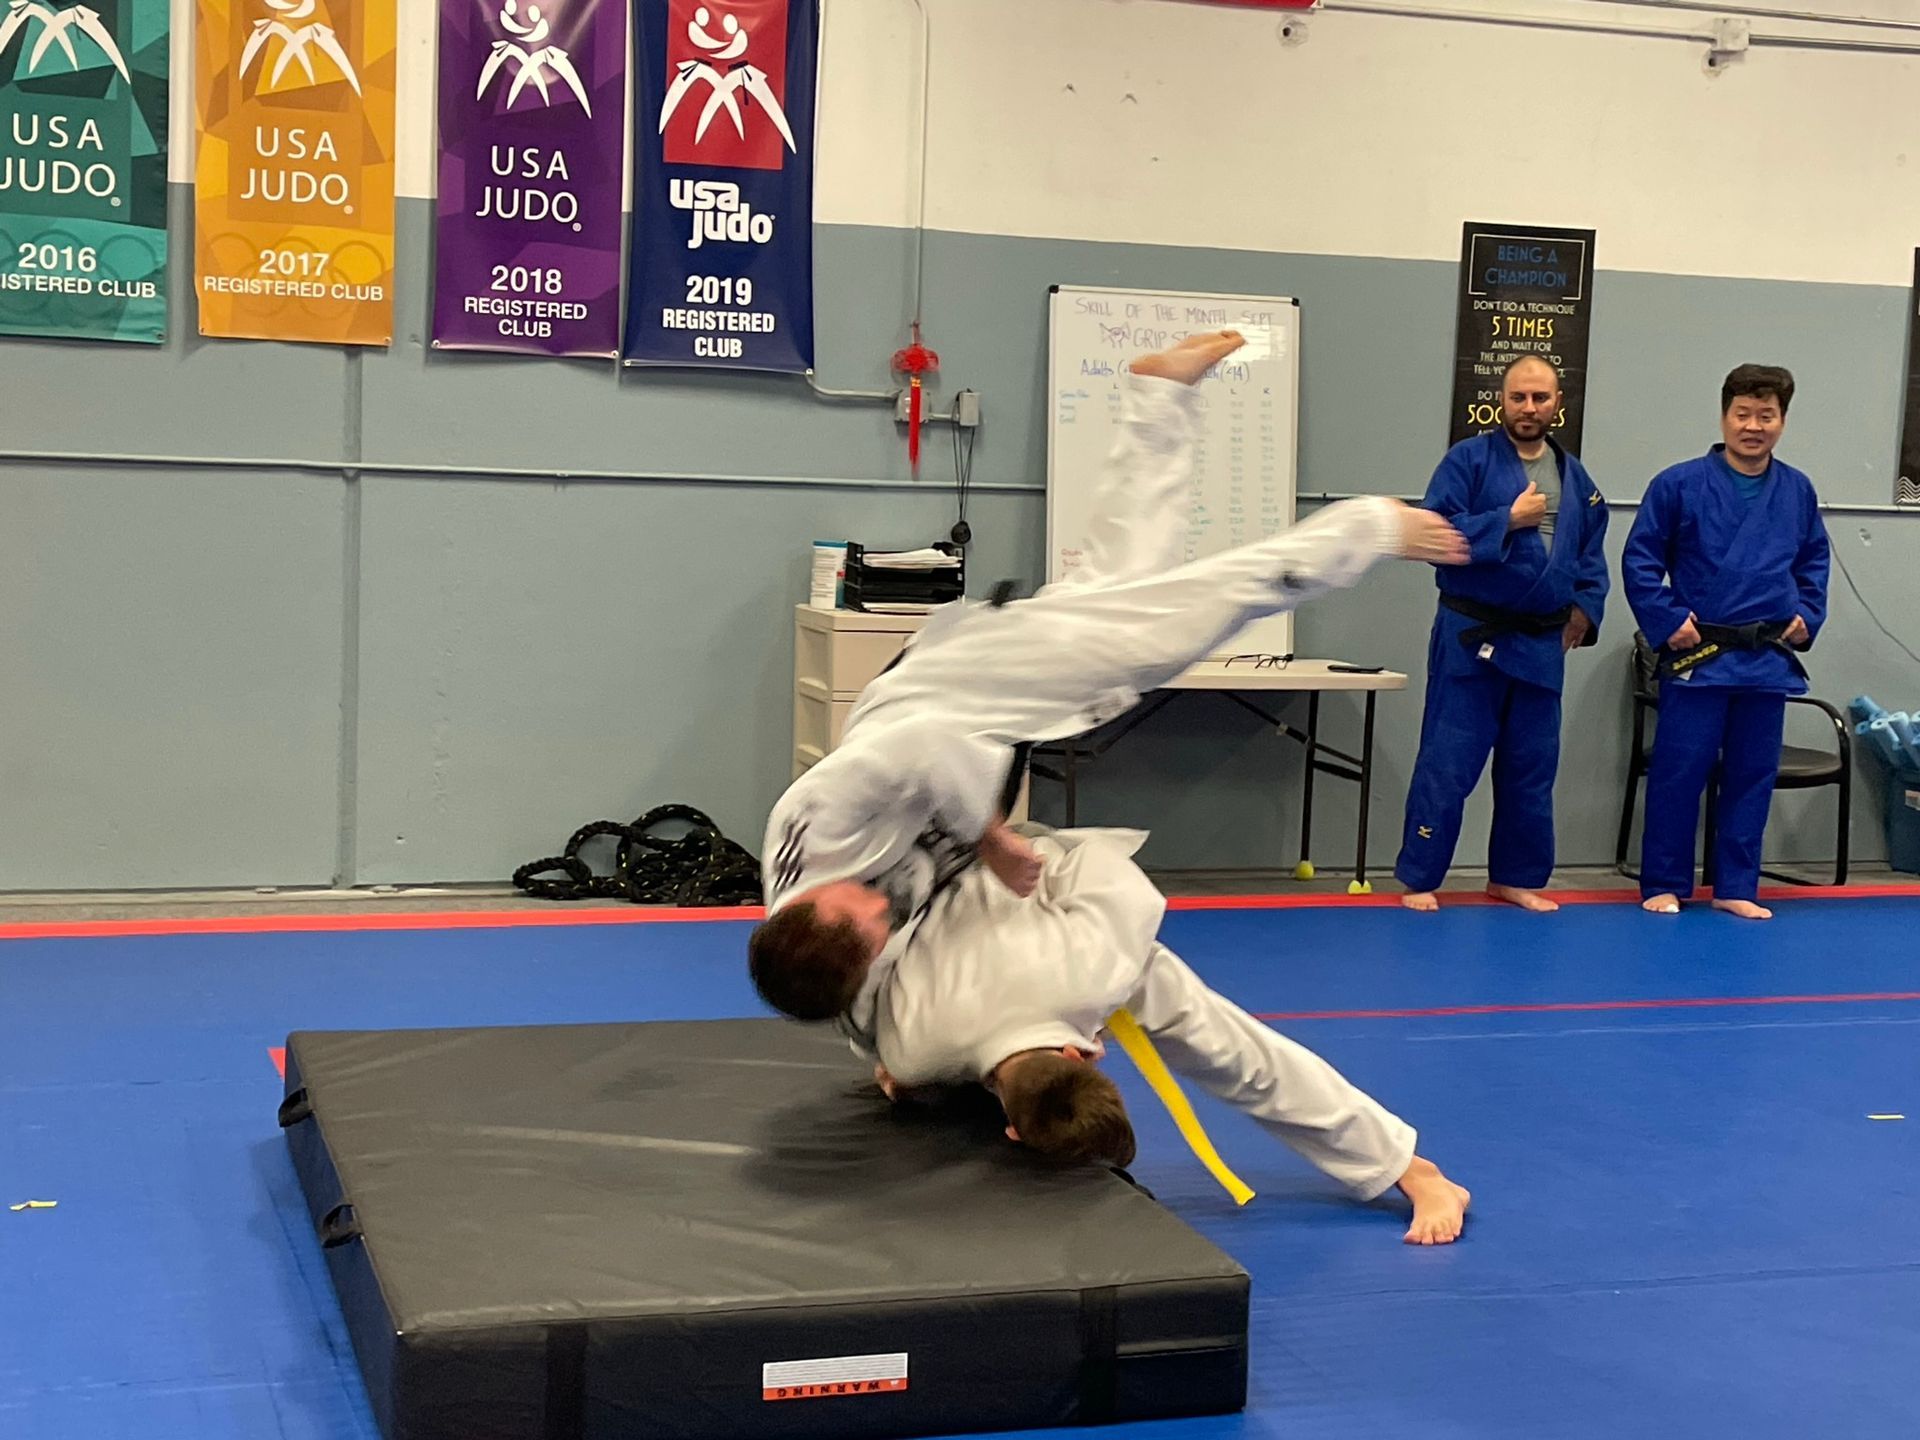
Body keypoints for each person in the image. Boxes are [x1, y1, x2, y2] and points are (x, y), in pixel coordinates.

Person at [749, 333, 1470, 1023]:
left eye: (868, 919)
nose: (883, 913)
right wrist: (889, 1060)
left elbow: (922, 746)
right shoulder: (809, 933)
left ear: (823, 907)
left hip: (973, 687)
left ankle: (1363, 529)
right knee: (1124, 571)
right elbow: (862, 988)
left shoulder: (818, 825)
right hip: (970, 683)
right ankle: (1159, 398)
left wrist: (989, 839)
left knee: (1178, 628)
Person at [865, 825, 1471, 1245]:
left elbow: (1098, 871)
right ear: (1079, 1053)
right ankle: (1408, 1169)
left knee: (1236, 1054)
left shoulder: (1100, 967)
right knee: (1246, 1062)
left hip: (1044, 889)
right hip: (943, 896)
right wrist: (904, 1069)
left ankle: (1416, 1171)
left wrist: (1021, 861)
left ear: (1013, 1130)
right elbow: (872, 980)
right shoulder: (912, 1048)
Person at [1395, 355, 1611, 913]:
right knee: (1449, 763)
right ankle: (1420, 876)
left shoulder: (1576, 478)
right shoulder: (1467, 461)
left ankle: (1515, 877)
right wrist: (1506, 520)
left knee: (1531, 770)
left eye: (1540, 398)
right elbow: (1431, 534)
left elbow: (1590, 554)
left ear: (1557, 403)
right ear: (1502, 401)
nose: (1529, 408)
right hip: (1473, 640)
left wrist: (1584, 609)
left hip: (1540, 646)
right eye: (1519, 397)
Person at [1622, 364, 1830, 920]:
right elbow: (1641, 559)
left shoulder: (1797, 490)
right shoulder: (1677, 484)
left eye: (1766, 415)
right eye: (1743, 414)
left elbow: (1813, 561)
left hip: (1765, 658)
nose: (1753, 426)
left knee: (1752, 775)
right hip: (1701, 654)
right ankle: (1664, 881)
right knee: (1679, 773)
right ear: (1723, 417)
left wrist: (1808, 614)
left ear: (1783, 421)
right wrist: (1668, 619)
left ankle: (1737, 884)